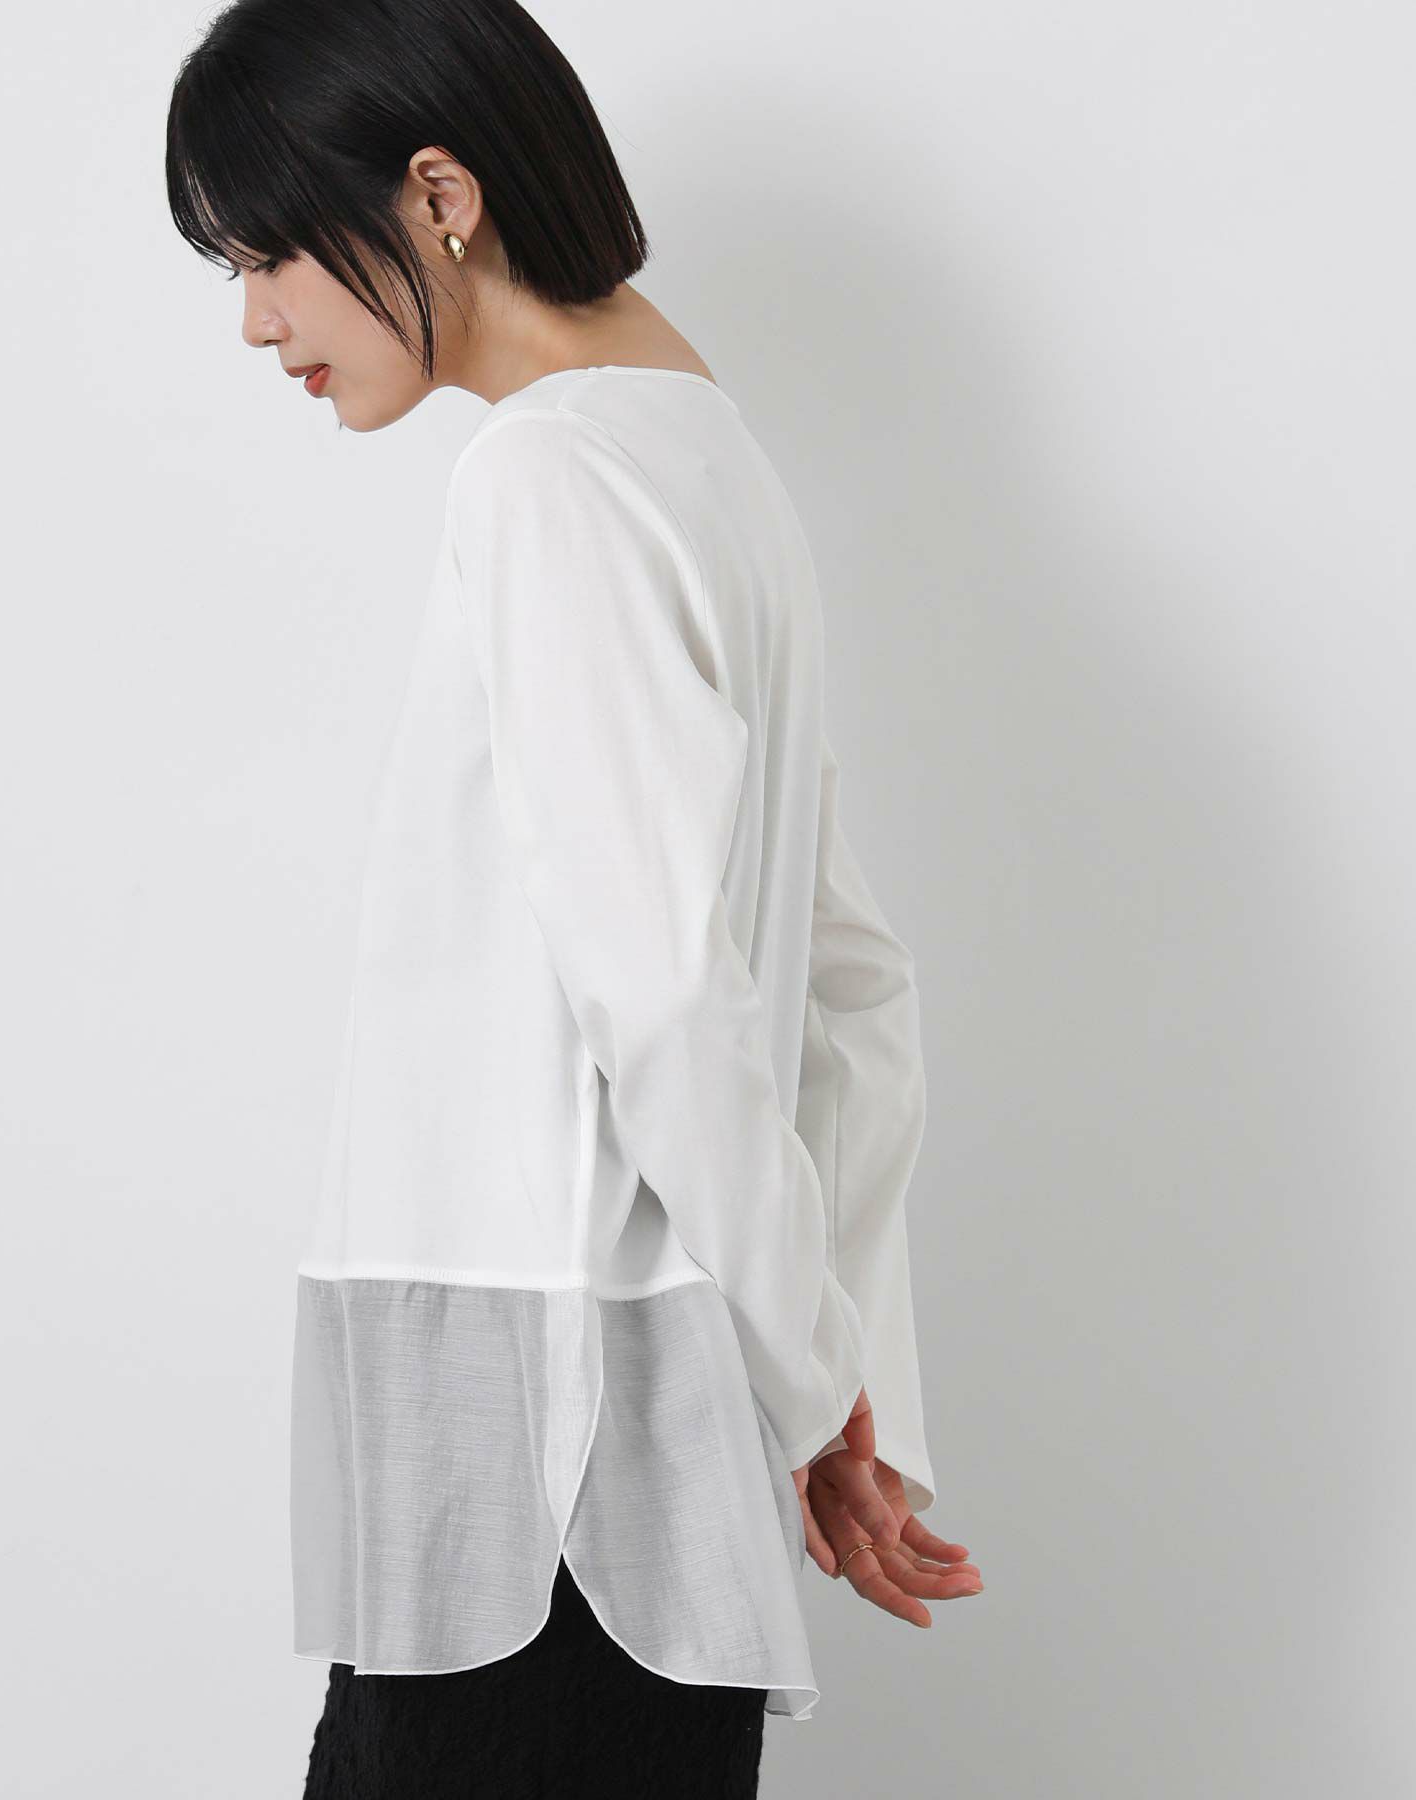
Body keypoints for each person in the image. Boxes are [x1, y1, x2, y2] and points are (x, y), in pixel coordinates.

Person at [165, 0, 982, 1791]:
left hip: (540, 1484)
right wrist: (830, 1382)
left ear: (437, 193)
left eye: (269, 252)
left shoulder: (547, 472)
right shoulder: (709, 456)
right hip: (654, 1484)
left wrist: (810, 1383)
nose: (257, 321)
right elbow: (853, 990)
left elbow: (670, 991)